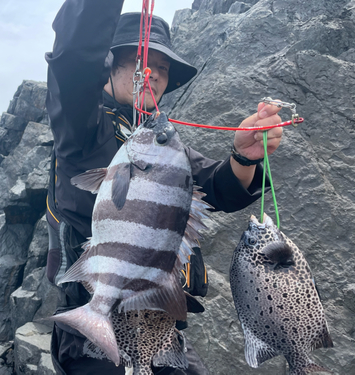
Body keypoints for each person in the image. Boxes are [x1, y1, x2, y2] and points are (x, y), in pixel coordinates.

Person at [44, 1, 283, 374]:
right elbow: (74, 60)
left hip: (162, 330)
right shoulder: (82, 131)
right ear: (109, 64)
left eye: (164, 69)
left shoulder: (165, 146)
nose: (153, 74)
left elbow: (219, 188)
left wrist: (245, 157)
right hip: (96, 332)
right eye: (141, 61)